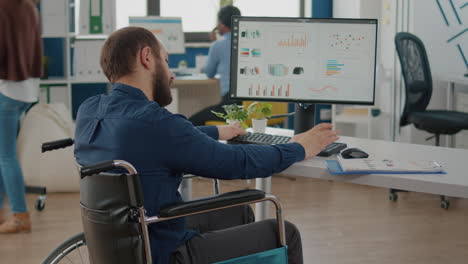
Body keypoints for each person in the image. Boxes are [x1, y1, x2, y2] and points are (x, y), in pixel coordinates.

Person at [74, 27, 338, 264]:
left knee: (238, 212)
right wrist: (299, 147)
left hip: (122, 244)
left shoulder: (90, 111)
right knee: (285, 232)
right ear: (146, 58)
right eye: (166, 61)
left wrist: (214, 130)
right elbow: (236, 163)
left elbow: (151, 141)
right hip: (165, 251)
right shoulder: (157, 123)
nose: (171, 74)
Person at [0, 0, 42, 234]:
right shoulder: (29, 7)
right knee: (3, 155)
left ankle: (19, 216)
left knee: (6, 156)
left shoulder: (3, 7)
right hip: (25, 90)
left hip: (6, 89)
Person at [188, 5, 241, 126]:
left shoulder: (218, 45)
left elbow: (209, 72)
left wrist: (214, 43)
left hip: (231, 106)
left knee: (191, 122)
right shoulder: (246, 42)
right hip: (250, 106)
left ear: (221, 24)